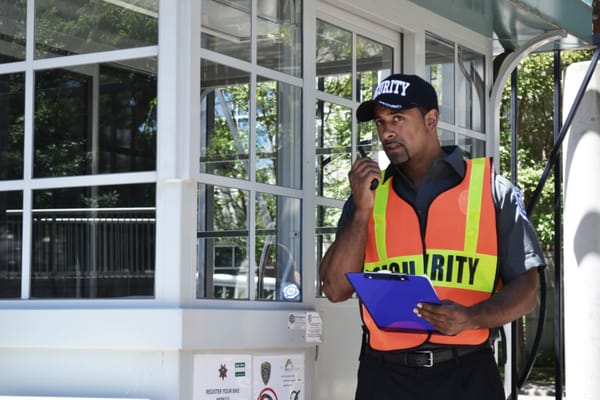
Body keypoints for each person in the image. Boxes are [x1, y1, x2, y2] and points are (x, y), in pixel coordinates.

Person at [319, 73, 546, 400]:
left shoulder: (492, 191)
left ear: (431, 119)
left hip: (467, 376)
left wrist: (471, 317)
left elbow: (526, 292)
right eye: (381, 122)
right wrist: (361, 212)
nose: (387, 131)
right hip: (384, 377)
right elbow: (336, 290)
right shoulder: (366, 197)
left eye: (398, 117)